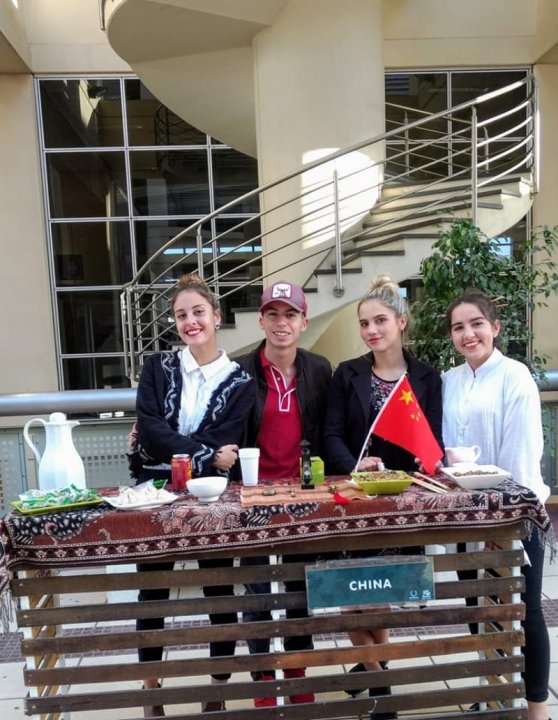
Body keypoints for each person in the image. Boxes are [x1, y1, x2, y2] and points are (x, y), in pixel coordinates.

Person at [130, 273, 255, 717]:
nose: (190, 322)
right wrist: (206, 454)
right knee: (153, 592)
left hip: (210, 496)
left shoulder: (241, 381)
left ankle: (217, 685)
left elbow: (226, 437)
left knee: (219, 591)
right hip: (153, 491)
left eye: (198, 312)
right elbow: (150, 428)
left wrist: (175, 448)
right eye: (181, 315)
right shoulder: (157, 367)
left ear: (216, 317)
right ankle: (151, 690)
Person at [324, 274, 443, 720]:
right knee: (350, 593)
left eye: (380, 321)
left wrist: (418, 464)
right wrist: (357, 464)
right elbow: (331, 436)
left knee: (380, 592)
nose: (371, 330)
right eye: (364, 323)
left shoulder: (427, 378)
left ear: (401, 322)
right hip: (355, 499)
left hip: (402, 503)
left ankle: (374, 669)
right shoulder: (347, 373)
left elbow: (433, 439)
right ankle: (380, 683)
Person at [442, 289, 552, 720]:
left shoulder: (514, 376)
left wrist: (502, 521)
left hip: (514, 517)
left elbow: (522, 456)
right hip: (464, 518)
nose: (468, 334)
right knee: (478, 610)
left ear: (495, 328)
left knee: (525, 614)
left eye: (476, 324)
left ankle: (536, 708)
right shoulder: (449, 380)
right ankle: (494, 692)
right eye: (458, 327)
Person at [235, 279, 332, 708]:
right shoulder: (240, 371)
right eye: (272, 314)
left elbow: (329, 430)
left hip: (302, 495)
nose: (281, 322)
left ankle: (295, 672)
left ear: (303, 322)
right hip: (254, 496)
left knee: (300, 589)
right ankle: (263, 680)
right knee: (258, 591)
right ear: (261, 321)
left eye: (290, 314)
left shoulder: (319, 369)